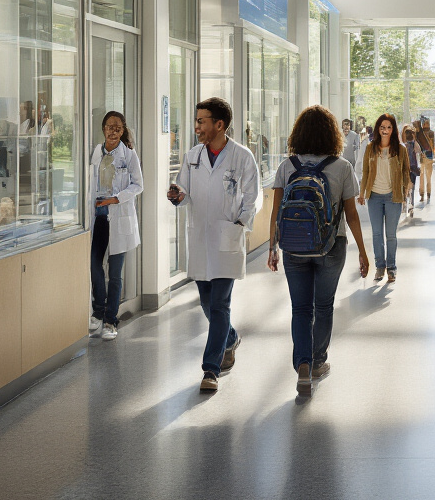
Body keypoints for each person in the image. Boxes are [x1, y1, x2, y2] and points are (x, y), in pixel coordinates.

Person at [267, 105, 371, 396]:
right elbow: (351, 216)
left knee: (300, 308)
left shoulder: (288, 166)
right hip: (331, 246)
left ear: (298, 132)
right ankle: (317, 362)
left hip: (294, 248)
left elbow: (276, 213)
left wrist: (273, 248)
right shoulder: (342, 167)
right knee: (323, 306)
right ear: (332, 134)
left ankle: (301, 364)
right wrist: (363, 252)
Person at [167, 97, 261, 392]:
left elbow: (252, 196)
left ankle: (210, 369)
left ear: (219, 125)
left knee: (220, 304)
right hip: (201, 238)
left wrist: (240, 224)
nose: (196, 127)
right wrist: (178, 195)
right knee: (208, 303)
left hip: (227, 238)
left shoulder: (242, 156)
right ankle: (231, 339)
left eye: (201, 121)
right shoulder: (192, 155)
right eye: (197, 121)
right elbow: (184, 189)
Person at [88, 111, 143, 340]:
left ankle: (111, 320)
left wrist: (116, 198)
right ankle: (98, 312)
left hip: (118, 215)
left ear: (123, 130)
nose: (113, 131)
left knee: (116, 272)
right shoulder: (96, 152)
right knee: (94, 264)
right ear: (103, 129)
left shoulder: (129, 154)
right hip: (99, 216)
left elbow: (138, 185)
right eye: (110, 127)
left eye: (118, 127)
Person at [357, 113, 410, 284]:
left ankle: (392, 268)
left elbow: (405, 171)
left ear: (393, 129)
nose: (385, 130)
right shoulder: (370, 147)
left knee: (391, 235)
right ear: (378, 129)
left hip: (393, 196)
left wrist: (404, 191)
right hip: (374, 196)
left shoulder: (400, 149)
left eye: (388, 127)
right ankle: (380, 266)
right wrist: (362, 192)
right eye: (382, 127)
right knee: (377, 234)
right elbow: (365, 171)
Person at [416, 115, 435, 203]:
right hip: (421, 157)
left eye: (427, 123)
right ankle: (422, 194)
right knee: (421, 176)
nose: (426, 124)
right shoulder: (419, 133)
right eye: (424, 123)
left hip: (429, 156)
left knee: (428, 177)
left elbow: (432, 145)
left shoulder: (431, 133)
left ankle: (428, 193)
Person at [403, 124, 420, 219]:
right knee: (409, 187)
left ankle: (409, 204)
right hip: (409, 168)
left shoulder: (410, 145)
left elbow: (419, 151)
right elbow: (419, 151)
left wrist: (414, 140)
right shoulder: (403, 145)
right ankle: (408, 203)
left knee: (410, 187)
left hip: (410, 168)